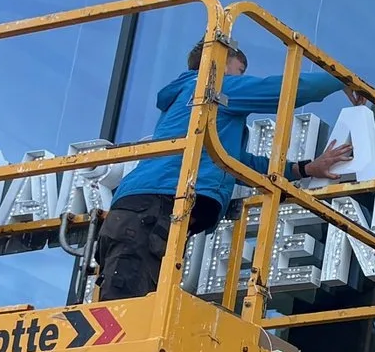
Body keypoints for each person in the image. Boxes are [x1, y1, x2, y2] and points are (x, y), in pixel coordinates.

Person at [95, 39, 350, 300]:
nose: (243, 78)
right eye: (241, 72)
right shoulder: (214, 87)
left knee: (136, 305)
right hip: (154, 207)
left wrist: (304, 169)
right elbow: (288, 90)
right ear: (221, 63)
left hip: (147, 209)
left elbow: (237, 162)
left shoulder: (196, 105)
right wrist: (343, 78)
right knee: (126, 309)